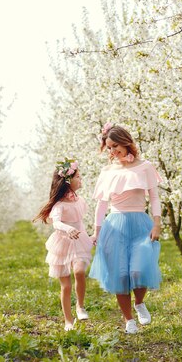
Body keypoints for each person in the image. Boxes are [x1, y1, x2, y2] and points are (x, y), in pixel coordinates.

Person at [89, 123, 162, 334]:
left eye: (114, 146)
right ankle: (129, 319)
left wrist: (157, 223)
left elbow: (155, 197)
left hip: (140, 223)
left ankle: (139, 302)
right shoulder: (107, 171)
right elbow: (102, 204)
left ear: (125, 142)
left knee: (139, 268)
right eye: (108, 148)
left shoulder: (145, 166)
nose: (112, 151)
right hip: (114, 224)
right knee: (119, 275)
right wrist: (97, 231)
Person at [34, 158, 92, 331]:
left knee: (80, 271)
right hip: (62, 243)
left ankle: (80, 306)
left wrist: (88, 237)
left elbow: (80, 222)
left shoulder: (80, 201)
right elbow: (56, 223)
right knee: (66, 286)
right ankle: (68, 320)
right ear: (68, 181)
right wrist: (68, 229)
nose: (81, 180)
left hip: (79, 240)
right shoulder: (59, 205)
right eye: (78, 177)